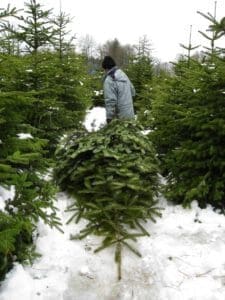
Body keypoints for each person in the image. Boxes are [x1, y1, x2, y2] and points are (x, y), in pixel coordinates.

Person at [102, 56, 135, 124]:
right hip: (130, 114)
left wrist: (109, 118)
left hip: (119, 118)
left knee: (119, 134)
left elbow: (110, 101)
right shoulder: (123, 75)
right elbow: (133, 91)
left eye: (104, 69)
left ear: (106, 68)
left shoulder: (109, 80)